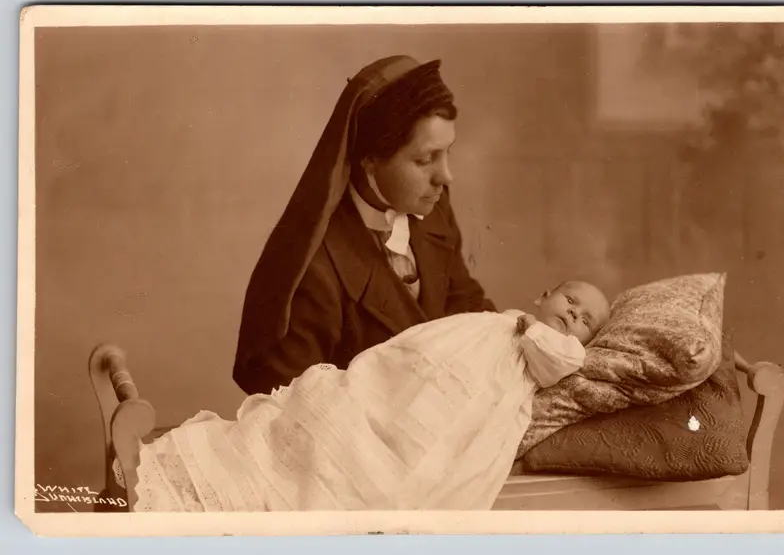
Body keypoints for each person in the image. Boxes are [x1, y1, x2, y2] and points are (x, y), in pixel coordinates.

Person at [133, 280, 609, 512]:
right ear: (543, 294)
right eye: (570, 300)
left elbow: (557, 359)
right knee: (365, 397)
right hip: (421, 375)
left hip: (472, 404)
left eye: (586, 320)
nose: (573, 315)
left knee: (408, 457)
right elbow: (424, 343)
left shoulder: (551, 346)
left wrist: (533, 330)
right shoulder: (496, 321)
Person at [232, 55, 496, 396]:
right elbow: (293, 403)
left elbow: (464, 302)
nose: (446, 176)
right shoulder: (317, 270)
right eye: (425, 159)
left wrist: (512, 334)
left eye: (448, 153)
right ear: (370, 161)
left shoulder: (431, 207)